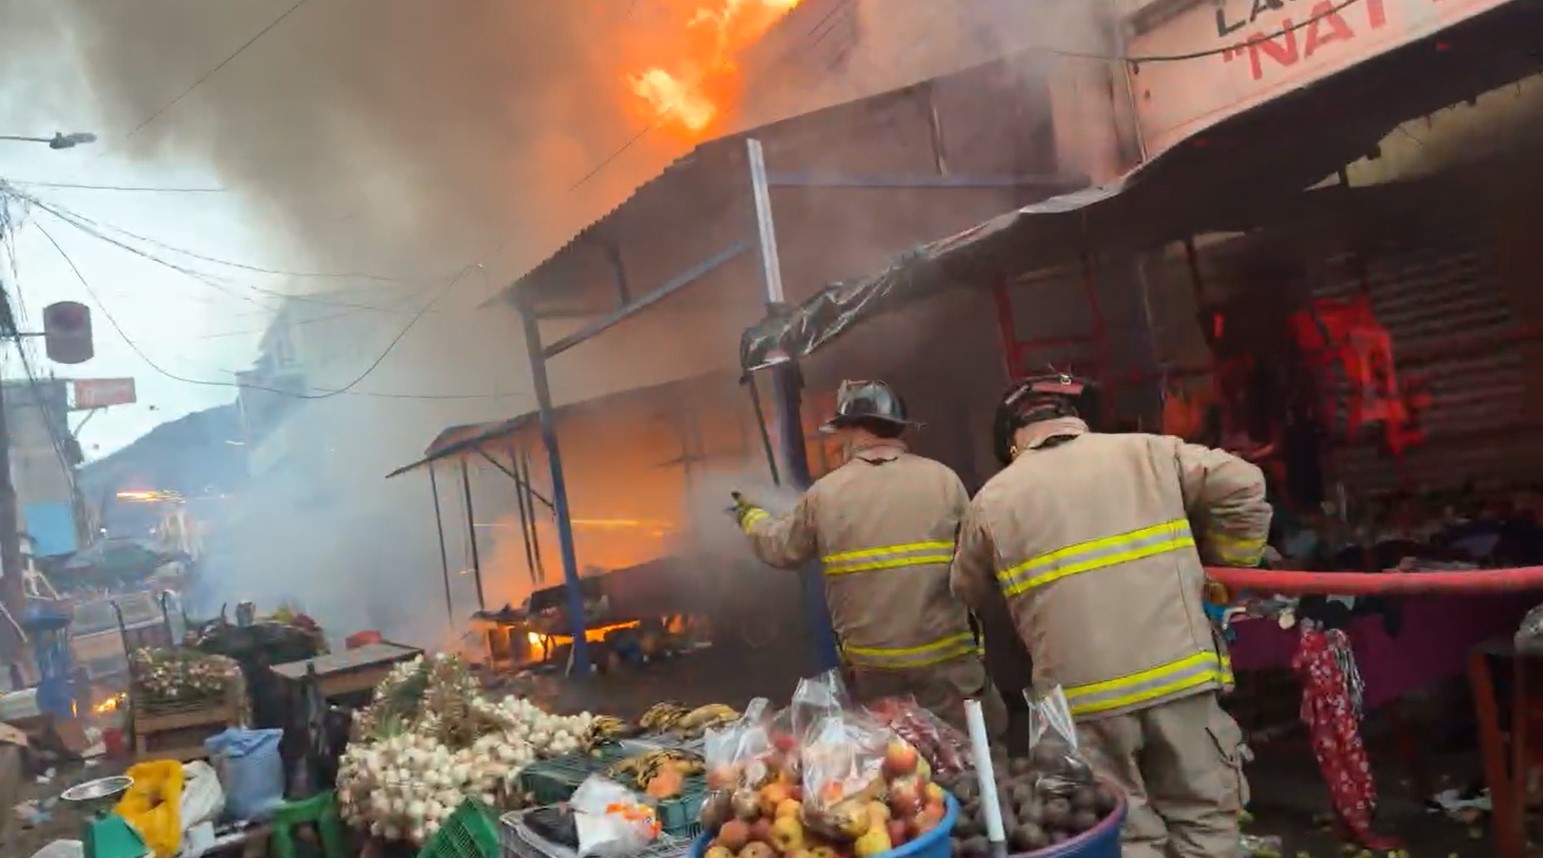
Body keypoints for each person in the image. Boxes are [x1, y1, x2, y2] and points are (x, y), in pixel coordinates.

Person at [950, 373, 1271, 858]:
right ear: (1079, 419)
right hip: (1180, 678)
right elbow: (1243, 483)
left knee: (1127, 831)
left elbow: (966, 590)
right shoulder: (1151, 453)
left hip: (1081, 700)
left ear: (1012, 438)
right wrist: (1228, 571)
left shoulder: (993, 500)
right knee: (1204, 819)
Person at [733, 380, 1006, 737]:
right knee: (976, 758)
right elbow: (978, 562)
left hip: (876, 674)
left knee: (899, 767)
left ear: (852, 428)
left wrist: (751, 517)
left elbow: (780, 548)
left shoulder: (826, 494)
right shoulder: (943, 480)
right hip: (949, 667)